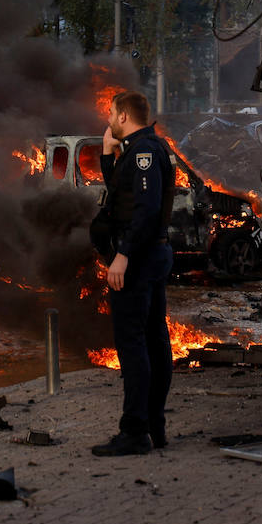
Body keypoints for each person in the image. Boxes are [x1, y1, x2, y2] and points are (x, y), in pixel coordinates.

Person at [91, 90, 176, 457]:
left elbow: (144, 209)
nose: (108, 118)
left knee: (134, 344)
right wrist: (108, 157)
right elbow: (123, 196)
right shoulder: (146, 148)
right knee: (154, 340)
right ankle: (154, 427)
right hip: (152, 255)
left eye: (111, 113)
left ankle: (135, 431)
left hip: (139, 259)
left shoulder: (143, 153)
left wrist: (122, 255)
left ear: (123, 116)